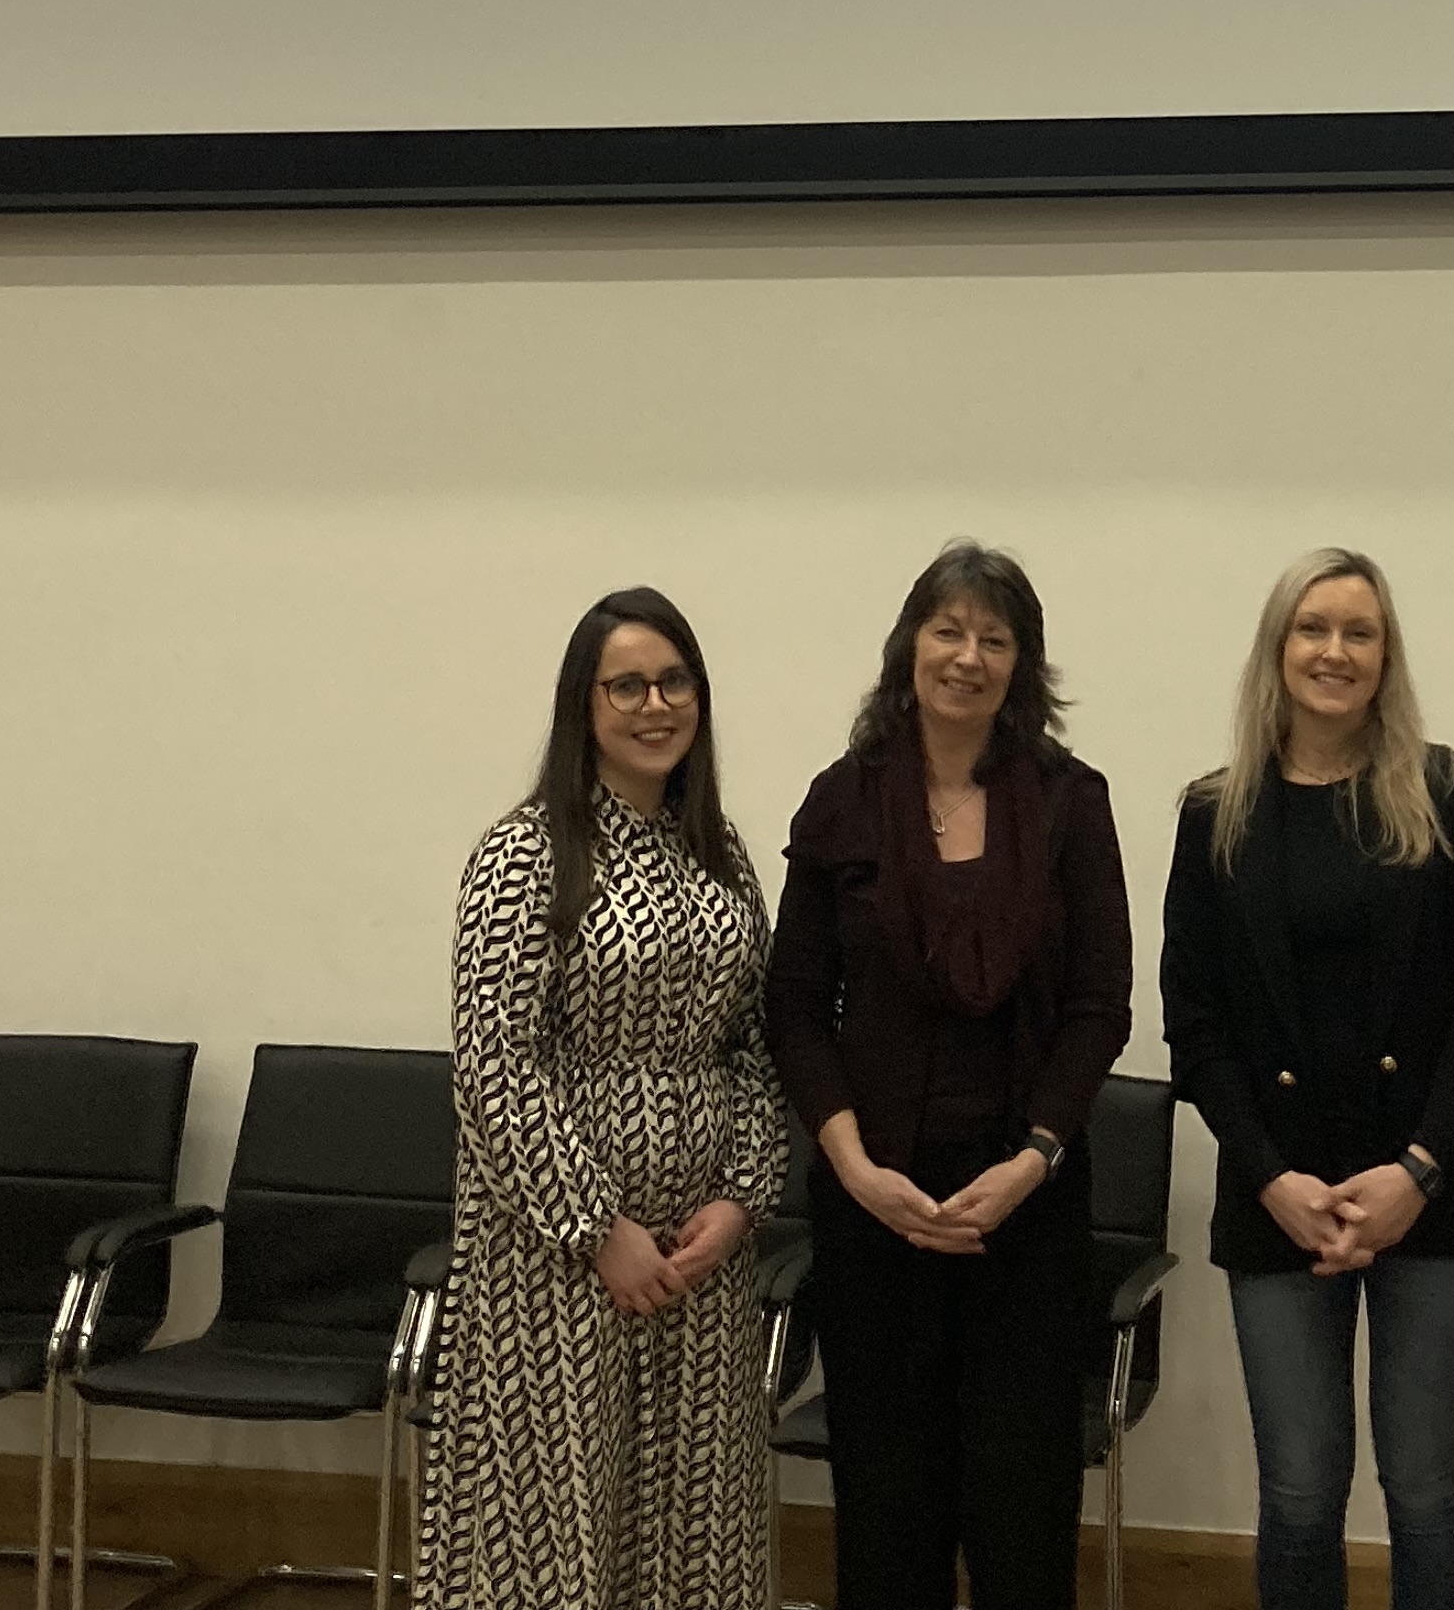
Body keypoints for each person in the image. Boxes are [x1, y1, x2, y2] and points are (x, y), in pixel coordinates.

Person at [1161, 550, 1454, 1610]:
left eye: (1359, 632)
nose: (1335, 651)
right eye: (1313, 628)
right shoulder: (1213, 812)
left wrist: (1414, 1171)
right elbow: (1196, 1027)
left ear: (1386, 654)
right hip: (1279, 1192)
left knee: (1424, 1491)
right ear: (1278, 651)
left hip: (1435, 1189)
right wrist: (1274, 1178)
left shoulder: (1446, 791)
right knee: (1299, 1495)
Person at [770, 541, 1132, 1610]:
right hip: (872, 1206)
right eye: (948, 630)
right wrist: (853, 1166)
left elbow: (1098, 1008)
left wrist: (1033, 1162)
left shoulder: (1071, 803)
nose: (968, 656)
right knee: (888, 1512)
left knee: (1022, 1516)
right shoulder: (841, 802)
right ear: (909, 647)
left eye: (994, 637)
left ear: (1023, 665)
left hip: (1026, 1205)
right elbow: (795, 1006)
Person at [426, 589, 785, 1610]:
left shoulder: (722, 857)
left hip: (699, 1256)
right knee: (558, 1529)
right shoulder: (525, 852)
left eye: (675, 682)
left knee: (692, 1528)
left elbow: (752, 1049)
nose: (654, 704)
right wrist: (596, 1228)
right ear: (582, 706)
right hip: (557, 1256)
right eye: (626, 685)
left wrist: (740, 1202)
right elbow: (495, 1060)